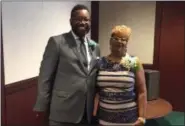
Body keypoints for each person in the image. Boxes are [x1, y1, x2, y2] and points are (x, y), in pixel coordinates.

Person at [33, 4, 100, 126]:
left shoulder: (95, 47)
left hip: (86, 111)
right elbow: (45, 77)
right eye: (78, 19)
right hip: (62, 112)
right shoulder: (57, 42)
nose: (82, 22)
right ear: (70, 21)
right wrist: (41, 107)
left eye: (86, 19)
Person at [93, 25, 147, 126]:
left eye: (124, 39)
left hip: (129, 120)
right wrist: (93, 114)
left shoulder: (133, 62)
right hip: (104, 119)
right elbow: (95, 92)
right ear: (110, 41)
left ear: (127, 43)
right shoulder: (100, 62)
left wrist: (142, 117)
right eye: (116, 38)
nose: (120, 41)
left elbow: (142, 91)